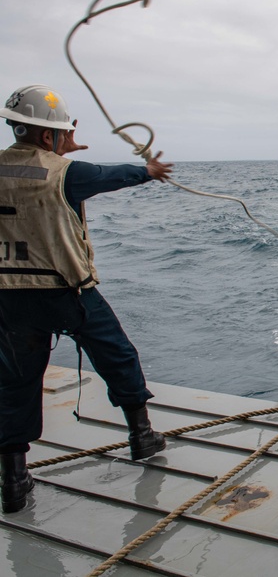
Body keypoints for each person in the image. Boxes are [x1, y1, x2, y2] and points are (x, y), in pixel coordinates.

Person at [0, 84, 174, 513]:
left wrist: (62, 146)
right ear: (48, 136)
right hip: (65, 291)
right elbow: (110, 175)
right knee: (116, 355)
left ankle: (14, 481)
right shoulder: (65, 172)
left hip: (8, 298)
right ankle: (142, 436)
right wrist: (149, 170)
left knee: (13, 384)